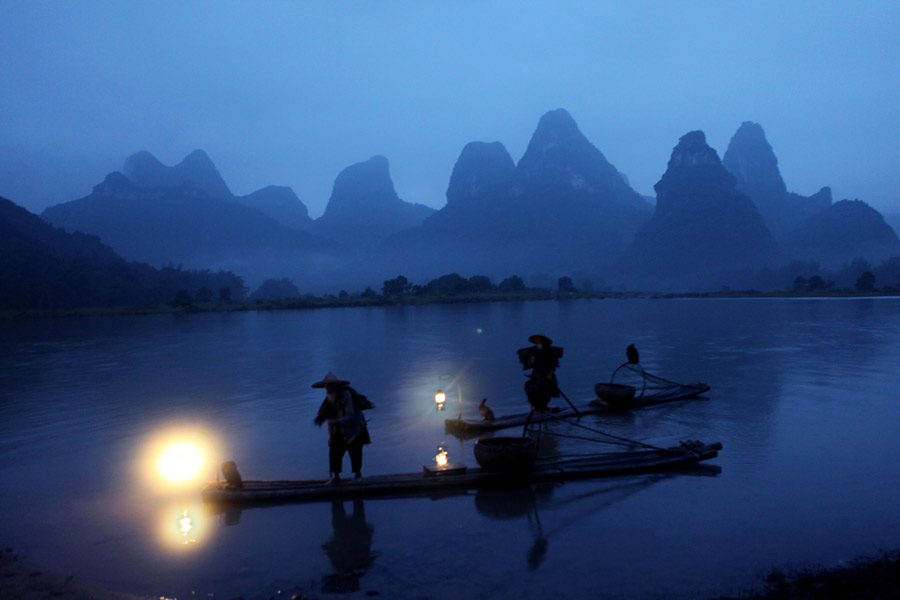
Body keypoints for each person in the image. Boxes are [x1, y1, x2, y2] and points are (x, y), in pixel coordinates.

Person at [313, 372, 373, 484]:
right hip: (339, 428)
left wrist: (338, 422)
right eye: (326, 386)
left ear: (336, 386)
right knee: (334, 452)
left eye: (330, 386)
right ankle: (336, 477)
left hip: (354, 428)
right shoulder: (329, 399)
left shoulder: (346, 395)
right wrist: (331, 437)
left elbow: (351, 415)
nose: (327, 388)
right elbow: (330, 420)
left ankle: (358, 476)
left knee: (355, 452)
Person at [517, 334, 564, 411]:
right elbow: (531, 364)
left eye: (538, 339)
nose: (537, 341)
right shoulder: (534, 350)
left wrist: (549, 374)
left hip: (547, 376)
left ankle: (543, 406)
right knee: (529, 387)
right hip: (536, 375)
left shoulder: (548, 350)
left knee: (544, 389)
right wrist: (531, 361)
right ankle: (535, 408)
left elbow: (552, 364)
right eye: (535, 340)